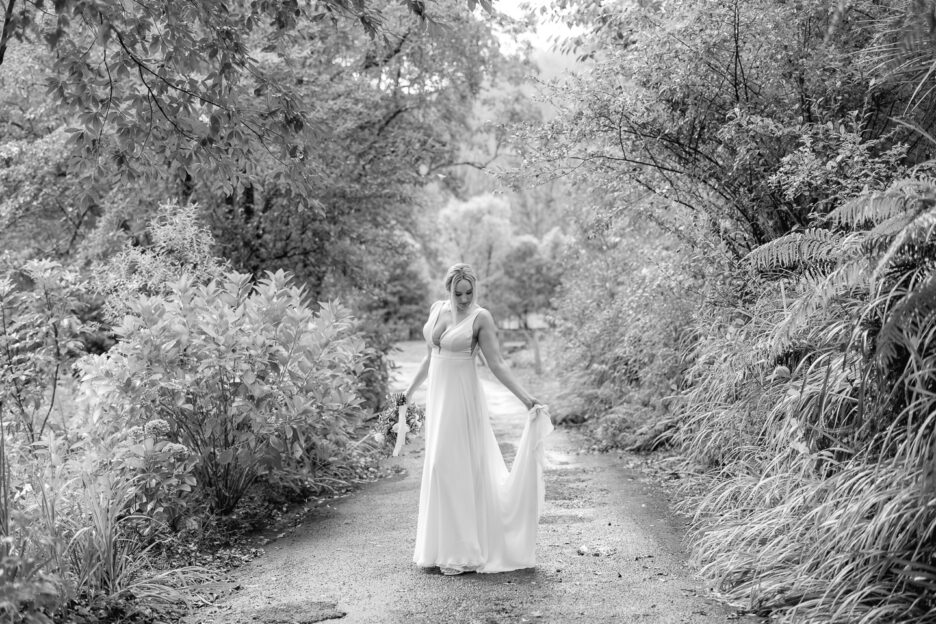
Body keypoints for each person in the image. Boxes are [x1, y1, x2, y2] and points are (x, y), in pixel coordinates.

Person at [404, 263, 554, 575]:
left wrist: (527, 399)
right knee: (437, 466)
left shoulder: (481, 317)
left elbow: (497, 363)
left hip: (462, 398)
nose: (463, 297)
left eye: (469, 292)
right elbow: (428, 358)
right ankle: (439, 549)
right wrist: (407, 393)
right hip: (439, 398)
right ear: (448, 288)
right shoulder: (437, 309)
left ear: (475, 289)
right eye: (457, 292)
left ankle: (463, 551)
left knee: (452, 467)